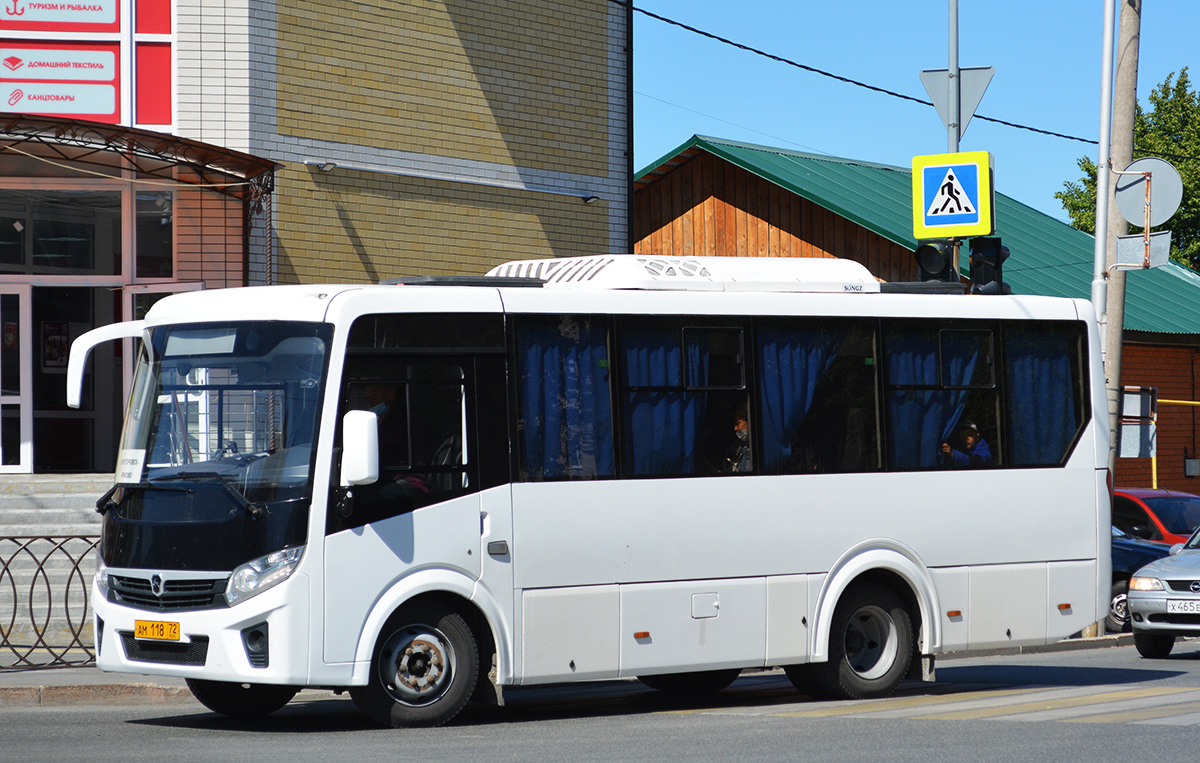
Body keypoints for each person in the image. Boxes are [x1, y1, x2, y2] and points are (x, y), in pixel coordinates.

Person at [724, 407, 753, 473]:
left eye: (738, 423)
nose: (735, 428)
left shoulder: (759, 447)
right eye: (734, 425)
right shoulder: (735, 447)